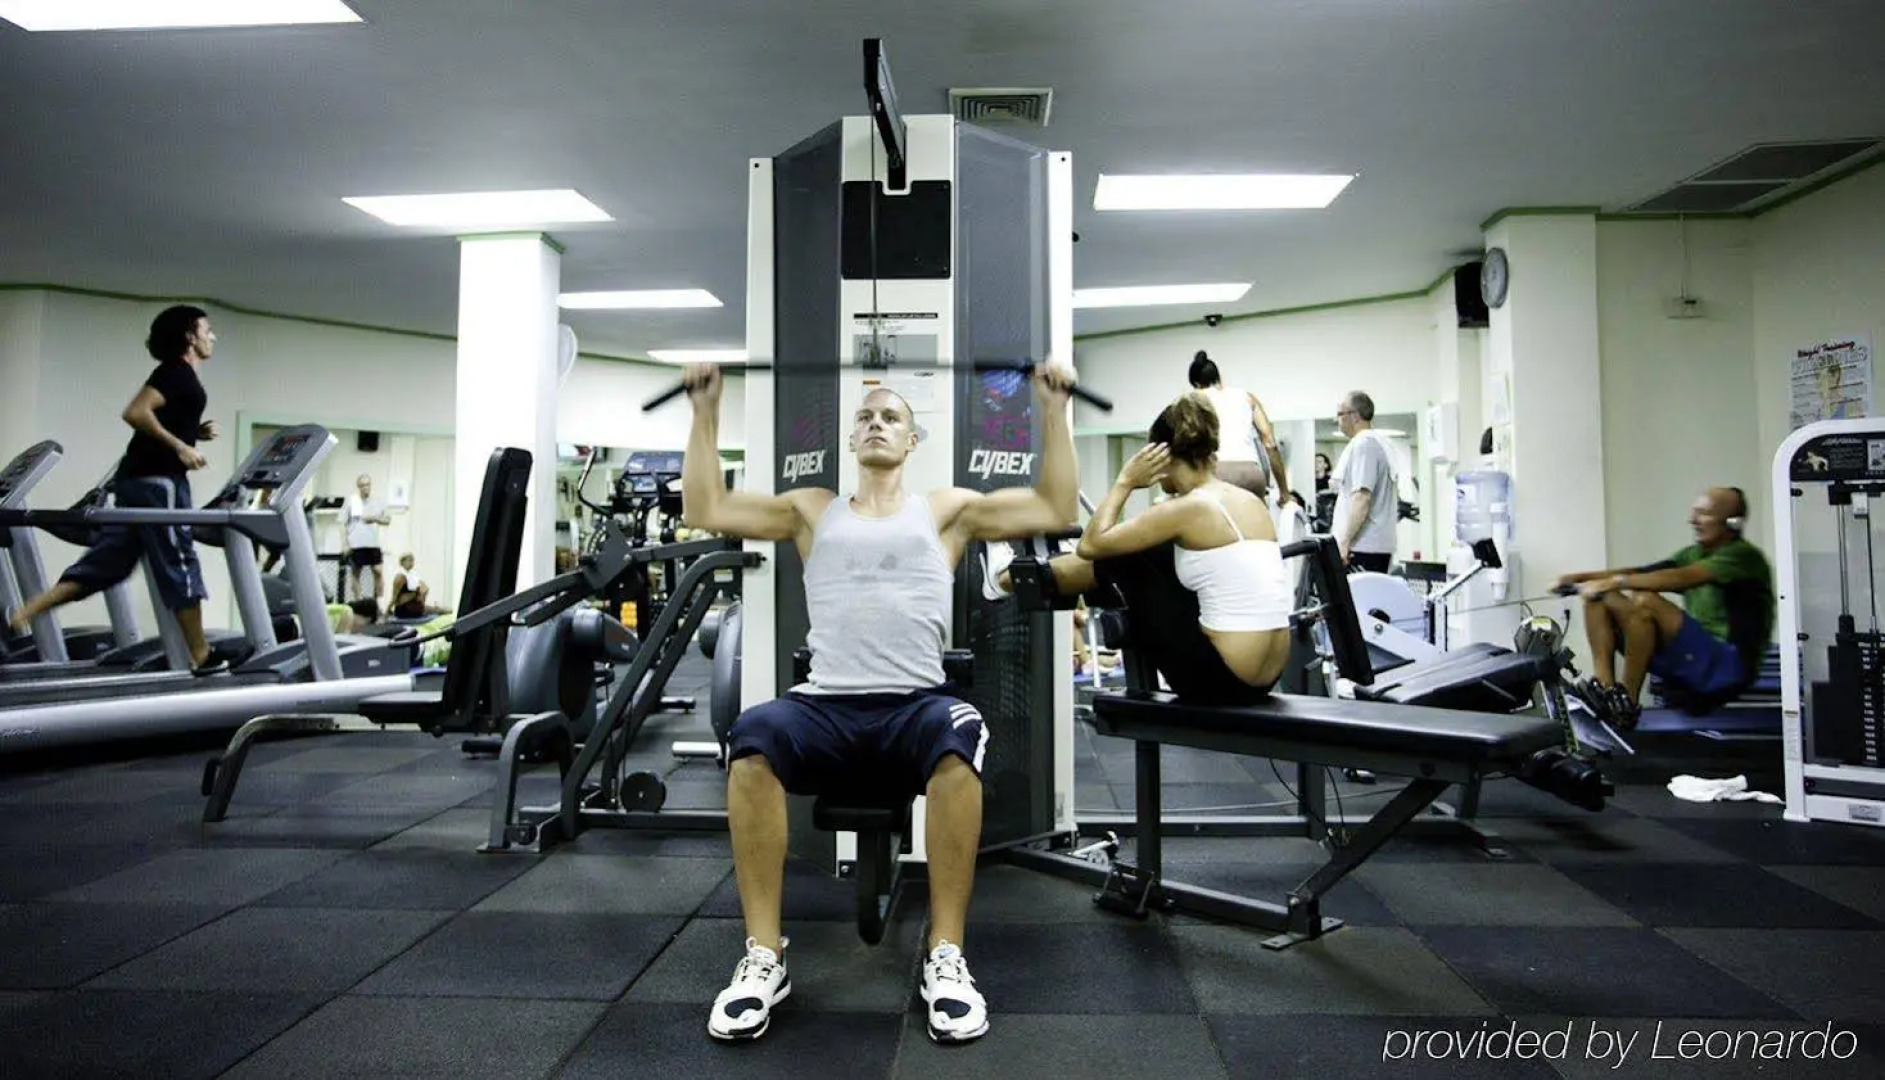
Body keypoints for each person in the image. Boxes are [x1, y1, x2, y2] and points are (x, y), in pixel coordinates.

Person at [679, 359, 1081, 1046]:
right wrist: (706, 412)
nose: (875, 423)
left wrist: (1051, 411)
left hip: (913, 705)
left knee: (960, 734)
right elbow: (704, 509)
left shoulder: (945, 510)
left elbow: (1055, 509)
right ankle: (762, 956)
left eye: (890, 416)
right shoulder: (812, 508)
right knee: (751, 739)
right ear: (851, 441)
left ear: (911, 440)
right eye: (865, 417)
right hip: (825, 705)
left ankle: (945, 955)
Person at [985, 392, 1294, 703]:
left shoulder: (1186, 509)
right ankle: (1033, 575)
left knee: (1123, 557)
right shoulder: (1249, 500)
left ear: (1160, 457)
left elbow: (1090, 545)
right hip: (1268, 678)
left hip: (1219, 682)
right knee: (1151, 553)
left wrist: (1125, 482)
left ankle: (1005, 580)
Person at [3, 305, 228, 675]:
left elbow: (156, 415)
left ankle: (21, 614)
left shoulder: (174, 376)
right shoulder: (178, 373)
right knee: (180, 562)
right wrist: (182, 447)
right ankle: (202, 655)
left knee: (109, 562)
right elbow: (136, 412)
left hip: (134, 479)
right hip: (160, 482)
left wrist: (193, 431)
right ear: (190, 336)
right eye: (207, 329)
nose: (212, 336)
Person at [1556, 486, 1775, 729]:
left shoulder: (1743, 556)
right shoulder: (1694, 553)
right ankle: (1606, 690)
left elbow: (1681, 578)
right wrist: (1577, 578)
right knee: (1599, 597)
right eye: (1694, 513)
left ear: (1732, 522)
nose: (1692, 520)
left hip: (1728, 667)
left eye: (1703, 513)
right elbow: (1642, 572)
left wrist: (1614, 582)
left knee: (1645, 600)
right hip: (1695, 656)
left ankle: (1627, 700)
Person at [1187, 351, 1288, 501]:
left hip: (1216, 473)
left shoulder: (1192, 401)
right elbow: (1270, 443)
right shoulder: (1247, 397)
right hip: (1251, 474)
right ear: (1219, 377)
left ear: (1196, 384)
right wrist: (1284, 492)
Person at [1330, 390, 1398, 572]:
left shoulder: (1365, 445)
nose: (1337, 420)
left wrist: (1344, 542)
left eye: (1340, 414)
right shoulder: (1375, 443)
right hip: (1368, 547)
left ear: (1354, 416)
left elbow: (1362, 498)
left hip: (1362, 548)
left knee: (1359, 600)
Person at [343, 474, 390, 603]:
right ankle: (359, 602)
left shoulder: (378, 501)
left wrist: (375, 518)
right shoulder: (352, 501)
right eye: (363, 485)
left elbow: (387, 520)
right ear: (359, 487)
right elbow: (343, 523)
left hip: (373, 543)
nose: (366, 487)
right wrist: (345, 544)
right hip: (356, 544)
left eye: (368, 484)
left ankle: (380, 604)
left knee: (378, 571)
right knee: (356, 573)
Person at [388, 553, 434, 619]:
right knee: (437, 609)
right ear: (402, 562)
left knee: (439, 609)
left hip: (413, 607)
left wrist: (420, 599)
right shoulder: (400, 577)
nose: (412, 563)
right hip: (405, 610)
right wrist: (386, 613)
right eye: (410, 560)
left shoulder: (412, 575)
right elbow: (394, 597)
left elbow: (425, 589)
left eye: (413, 561)